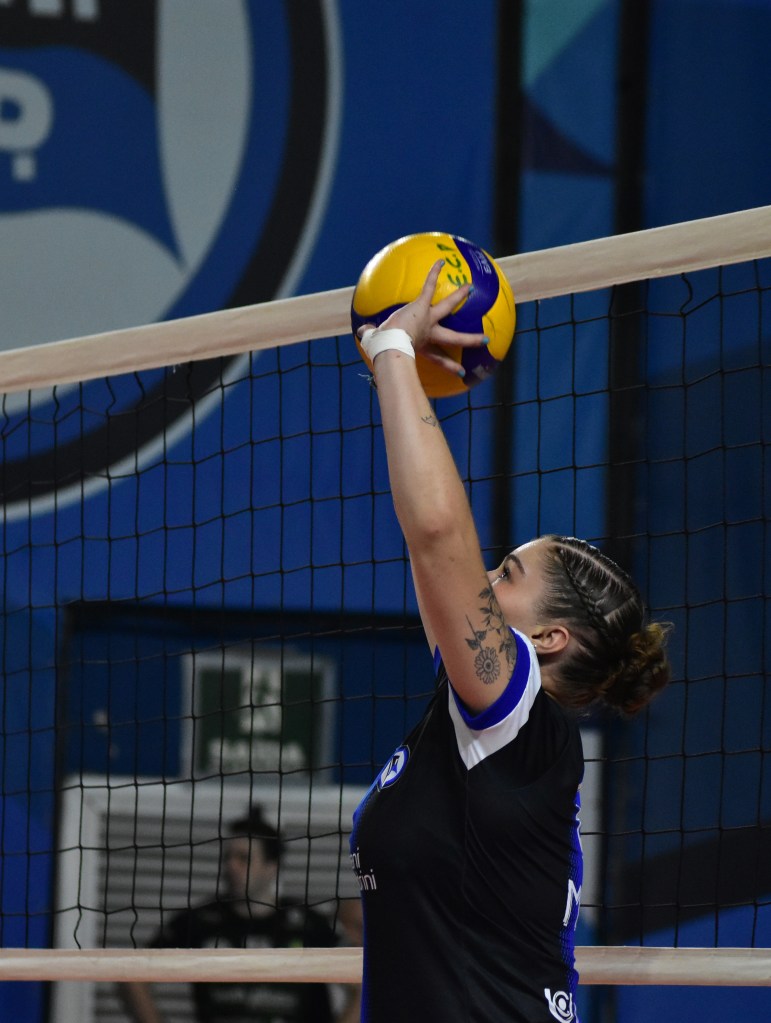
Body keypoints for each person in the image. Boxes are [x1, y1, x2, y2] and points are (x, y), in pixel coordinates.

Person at [348, 261, 671, 1022]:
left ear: (548, 637)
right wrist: (405, 377)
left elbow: (438, 535)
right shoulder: (492, 722)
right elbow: (433, 554)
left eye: (507, 573)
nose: (484, 578)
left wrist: (395, 352)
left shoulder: (518, 717)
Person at [120, 805, 349, 1023]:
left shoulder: (309, 924)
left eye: (243, 858)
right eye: (228, 857)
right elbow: (133, 975)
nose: (231, 866)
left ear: (272, 866)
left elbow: (363, 984)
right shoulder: (200, 920)